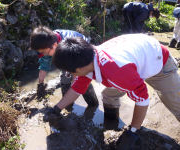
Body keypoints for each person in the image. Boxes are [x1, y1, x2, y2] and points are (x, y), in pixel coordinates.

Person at [50, 34, 180, 148]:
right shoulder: (88, 59)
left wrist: (133, 131)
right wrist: (56, 108)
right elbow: (77, 88)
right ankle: (111, 124)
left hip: (158, 62)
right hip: (134, 59)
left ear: (78, 69)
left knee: (176, 104)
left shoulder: (115, 71)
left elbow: (142, 98)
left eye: (70, 71)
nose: (71, 74)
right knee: (108, 94)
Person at [30, 26, 98, 108]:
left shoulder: (68, 45)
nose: (44, 55)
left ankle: (93, 105)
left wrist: (75, 80)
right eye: (41, 52)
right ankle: (67, 107)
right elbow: (44, 66)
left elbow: (77, 73)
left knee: (82, 80)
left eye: (44, 52)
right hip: (62, 55)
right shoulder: (46, 46)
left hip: (81, 54)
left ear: (54, 45)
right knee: (65, 79)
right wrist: (40, 84)